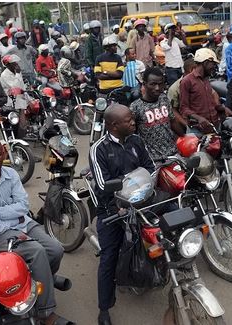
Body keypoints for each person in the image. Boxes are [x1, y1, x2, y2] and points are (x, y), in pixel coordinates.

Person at [0, 137, 72, 325]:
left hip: (23, 223)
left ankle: (40, 278)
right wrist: (13, 220)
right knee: (37, 251)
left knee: (55, 250)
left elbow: (23, 205)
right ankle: (45, 313)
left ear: (4, 153)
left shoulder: (11, 174)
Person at [89, 103, 155, 325]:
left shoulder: (136, 140)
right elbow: (102, 183)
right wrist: (120, 201)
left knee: (164, 231)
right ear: (114, 125)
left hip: (142, 200)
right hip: (112, 208)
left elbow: (150, 167)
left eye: (132, 119)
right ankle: (104, 308)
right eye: (128, 120)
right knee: (109, 257)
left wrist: (142, 188)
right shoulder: (99, 148)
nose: (133, 122)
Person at [130, 67, 183, 160]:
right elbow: (131, 135)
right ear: (145, 84)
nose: (157, 88)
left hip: (173, 154)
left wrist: (185, 136)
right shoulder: (135, 107)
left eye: (160, 84)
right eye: (153, 84)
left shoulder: (164, 98)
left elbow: (173, 121)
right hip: (152, 160)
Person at [180, 48, 230, 135]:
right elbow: (184, 108)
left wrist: (223, 108)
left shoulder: (206, 79)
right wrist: (199, 118)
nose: (214, 68)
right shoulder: (187, 81)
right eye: (213, 64)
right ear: (205, 63)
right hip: (197, 130)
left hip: (214, 126)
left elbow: (210, 102)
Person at [167, 58, 195, 133]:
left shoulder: (201, 82)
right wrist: (186, 125)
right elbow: (173, 111)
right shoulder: (174, 89)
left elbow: (213, 94)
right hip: (188, 123)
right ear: (192, 69)